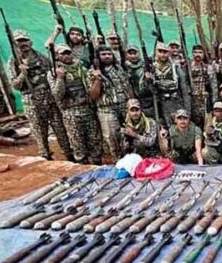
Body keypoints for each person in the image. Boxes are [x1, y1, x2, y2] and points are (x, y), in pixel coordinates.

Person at [8, 30, 73, 161]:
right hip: (32, 102)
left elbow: (52, 72)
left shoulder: (41, 57)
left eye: (24, 40)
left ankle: (69, 155)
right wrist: (22, 74)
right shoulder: (13, 61)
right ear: (14, 44)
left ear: (30, 42)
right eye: (19, 41)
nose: (23, 44)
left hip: (49, 99)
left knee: (60, 128)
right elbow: (15, 85)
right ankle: (46, 156)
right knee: (40, 132)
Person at [49, 44, 101, 164]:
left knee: (95, 142)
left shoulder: (81, 69)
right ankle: (83, 170)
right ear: (57, 55)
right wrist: (60, 78)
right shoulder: (53, 73)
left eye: (68, 52)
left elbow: (91, 91)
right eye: (62, 53)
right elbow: (57, 95)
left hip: (87, 110)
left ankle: (97, 167)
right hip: (70, 113)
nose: (66, 56)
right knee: (78, 145)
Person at [87, 44, 132, 161]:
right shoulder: (91, 72)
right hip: (106, 109)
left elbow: (127, 86)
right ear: (98, 57)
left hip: (124, 106)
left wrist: (132, 101)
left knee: (129, 134)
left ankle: (131, 158)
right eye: (103, 54)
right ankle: (118, 160)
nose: (107, 56)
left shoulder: (119, 68)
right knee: (112, 137)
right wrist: (97, 79)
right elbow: (93, 95)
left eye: (109, 54)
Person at [147, 42, 189, 127]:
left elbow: (184, 90)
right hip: (159, 104)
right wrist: (148, 80)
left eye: (165, 52)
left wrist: (187, 110)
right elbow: (148, 89)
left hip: (175, 102)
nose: (163, 55)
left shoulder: (175, 68)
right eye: (160, 51)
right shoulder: (152, 68)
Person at [188, 44, 217, 128]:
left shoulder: (208, 67)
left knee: (207, 125)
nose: (197, 54)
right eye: (195, 52)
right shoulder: (188, 67)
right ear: (192, 53)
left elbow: (214, 86)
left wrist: (214, 102)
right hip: (192, 101)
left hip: (205, 101)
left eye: (200, 52)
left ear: (204, 54)